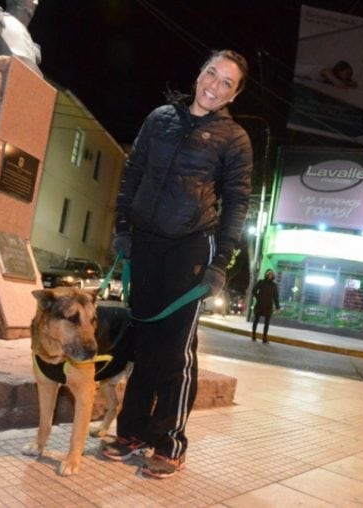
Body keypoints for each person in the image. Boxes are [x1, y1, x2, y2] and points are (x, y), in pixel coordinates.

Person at [102, 49, 253, 479]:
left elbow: (237, 203)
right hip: (146, 243)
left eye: (227, 83)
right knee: (144, 343)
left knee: (175, 350)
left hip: (191, 248)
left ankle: (169, 444)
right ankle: (131, 433)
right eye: (212, 74)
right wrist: (124, 227)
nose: (215, 86)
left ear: (233, 94)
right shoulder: (160, 118)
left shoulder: (234, 139)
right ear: (199, 73)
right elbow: (133, 173)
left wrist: (221, 260)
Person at [251, 269, 280, 343]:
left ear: (273, 276)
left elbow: (276, 297)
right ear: (266, 275)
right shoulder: (261, 282)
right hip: (260, 305)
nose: (270, 276)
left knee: (267, 323)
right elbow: (254, 290)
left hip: (268, 306)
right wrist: (258, 298)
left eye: (271, 274)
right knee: (256, 320)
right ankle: (253, 336)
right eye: (269, 274)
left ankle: (264, 338)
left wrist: (277, 307)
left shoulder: (274, 285)